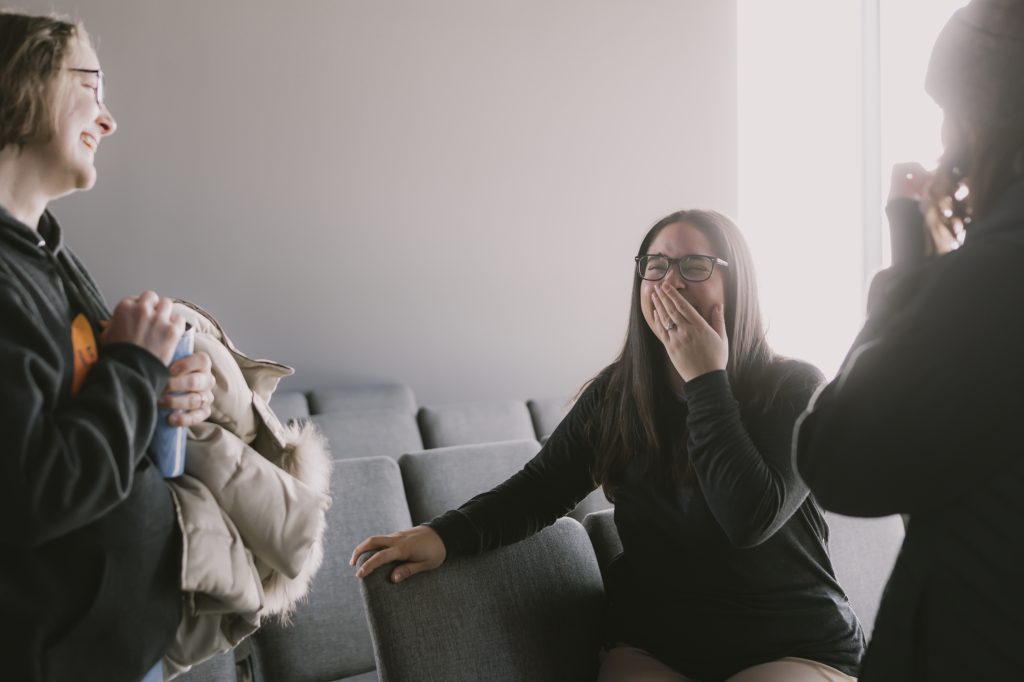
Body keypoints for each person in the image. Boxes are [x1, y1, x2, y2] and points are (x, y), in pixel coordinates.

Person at [352, 209, 865, 681]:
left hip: (790, 644)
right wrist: (445, 535)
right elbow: (540, 489)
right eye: (656, 265)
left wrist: (706, 380)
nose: (670, 281)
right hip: (659, 646)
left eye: (694, 264)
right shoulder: (617, 396)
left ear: (738, 284)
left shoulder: (793, 387)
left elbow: (749, 516)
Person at [794, 1, 1024, 679]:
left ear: (986, 119)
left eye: (950, 115)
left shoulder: (998, 272)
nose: (947, 137)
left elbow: (837, 455)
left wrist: (905, 286)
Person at [0, 12, 215, 682]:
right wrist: (133, 366)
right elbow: (34, 491)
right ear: (24, 85)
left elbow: (99, 401)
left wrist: (172, 384)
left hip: (117, 645)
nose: (108, 119)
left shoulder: (44, 251)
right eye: (91, 87)